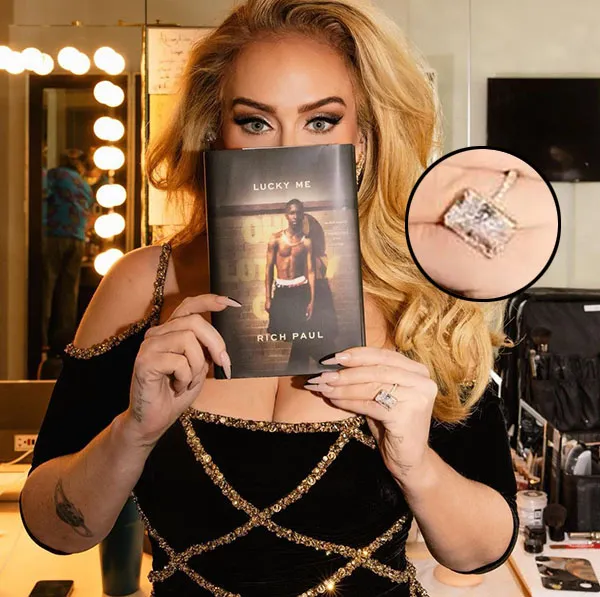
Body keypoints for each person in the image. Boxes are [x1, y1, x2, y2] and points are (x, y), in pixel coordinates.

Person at [20, 1, 519, 595]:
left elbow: (481, 554)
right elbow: (54, 530)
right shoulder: (143, 287)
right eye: (255, 122)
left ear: (365, 137)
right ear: (215, 132)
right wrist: (133, 432)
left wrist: (415, 465)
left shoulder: (426, 298)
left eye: (321, 121)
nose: (287, 150)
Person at [40, 148, 94, 370]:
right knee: (68, 293)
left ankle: (41, 339)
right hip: (77, 238)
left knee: (46, 286)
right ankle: (64, 341)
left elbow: (42, 193)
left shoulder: (54, 175)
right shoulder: (84, 185)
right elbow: (89, 214)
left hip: (54, 234)